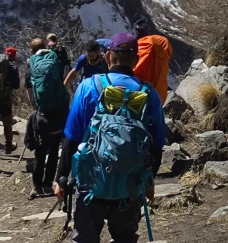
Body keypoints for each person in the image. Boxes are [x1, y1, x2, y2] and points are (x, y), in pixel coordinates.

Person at [54, 33, 166, 243]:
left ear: (108, 57)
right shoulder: (149, 94)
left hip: (90, 182)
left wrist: (60, 178)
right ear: (136, 60)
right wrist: (148, 182)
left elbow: (72, 138)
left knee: (85, 238)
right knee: (125, 238)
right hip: (130, 184)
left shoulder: (88, 87)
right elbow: (157, 145)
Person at [26, 35, 69, 198]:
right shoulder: (54, 59)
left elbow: (30, 90)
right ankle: (48, 185)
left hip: (42, 113)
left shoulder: (31, 64)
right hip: (58, 111)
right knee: (54, 149)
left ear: (32, 50)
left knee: (40, 149)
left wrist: (35, 106)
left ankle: (37, 186)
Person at [0, 45, 21, 157]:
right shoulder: (13, 68)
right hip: (6, 99)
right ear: (14, 57)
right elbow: (16, 86)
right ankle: (8, 146)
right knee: (7, 122)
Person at [132, 18, 173, 104]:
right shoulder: (163, 42)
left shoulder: (139, 47)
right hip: (160, 95)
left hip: (140, 94)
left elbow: (135, 71)